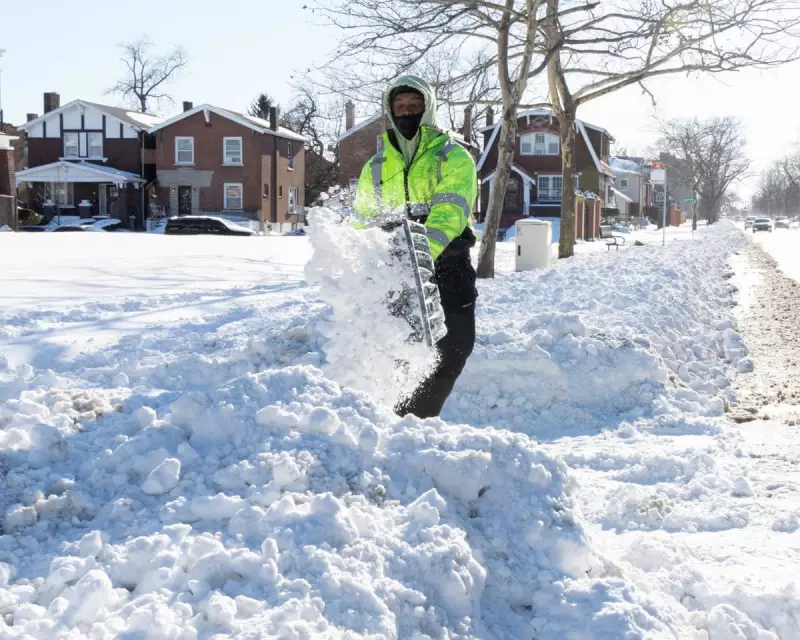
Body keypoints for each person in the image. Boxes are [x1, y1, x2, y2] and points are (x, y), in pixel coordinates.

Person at [353, 75, 478, 419]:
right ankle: (389, 417)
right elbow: (363, 221)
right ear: (391, 112)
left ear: (428, 108)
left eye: (414, 105)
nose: (407, 112)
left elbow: (450, 210)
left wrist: (421, 253)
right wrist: (364, 262)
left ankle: (419, 420)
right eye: (400, 106)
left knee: (455, 346)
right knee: (397, 349)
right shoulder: (376, 167)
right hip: (395, 268)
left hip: (448, 264)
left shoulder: (452, 156)